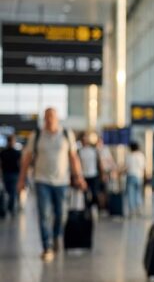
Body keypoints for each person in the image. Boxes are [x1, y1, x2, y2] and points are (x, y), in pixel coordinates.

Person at [17, 107, 87, 262]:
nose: (49, 120)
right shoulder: (37, 136)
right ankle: (47, 246)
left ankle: (56, 236)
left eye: (52, 117)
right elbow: (27, 159)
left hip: (62, 181)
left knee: (62, 214)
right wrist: (21, 180)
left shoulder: (66, 135)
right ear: (44, 119)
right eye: (47, 117)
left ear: (57, 119)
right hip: (42, 180)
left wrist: (79, 177)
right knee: (44, 214)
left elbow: (73, 158)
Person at [78, 132, 102, 211]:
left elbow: (99, 162)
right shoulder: (79, 151)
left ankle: (93, 206)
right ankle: (87, 210)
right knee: (84, 195)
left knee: (95, 193)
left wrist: (102, 173)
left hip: (93, 174)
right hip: (84, 175)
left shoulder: (94, 150)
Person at [1, 134, 22, 215]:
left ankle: (10, 208)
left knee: (10, 192)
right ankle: (9, 208)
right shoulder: (5, 153)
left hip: (13, 174)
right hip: (9, 174)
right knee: (9, 192)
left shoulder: (16, 153)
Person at [125, 141, 145, 216]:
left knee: (131, 193)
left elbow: (127, 167)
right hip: (139, 176)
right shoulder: (141, 156)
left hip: (130, 175)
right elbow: (142, 167)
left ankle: (131, 210)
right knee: (138, 193)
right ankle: (139, 208)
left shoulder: (129, 156)